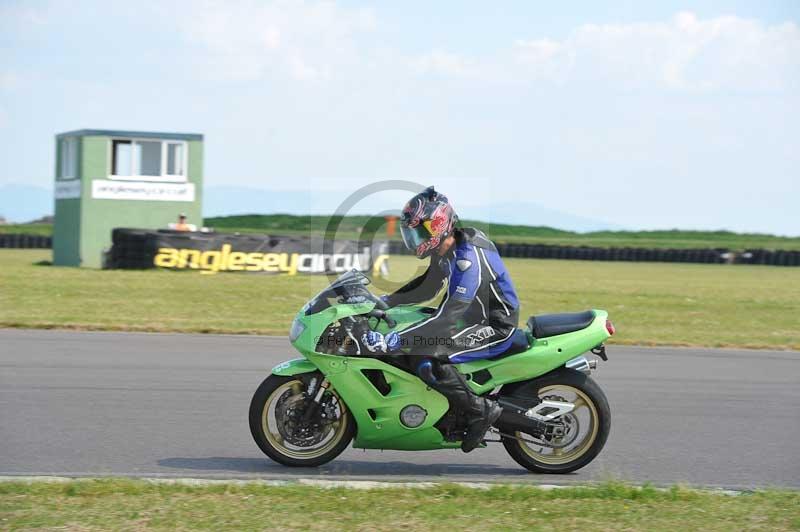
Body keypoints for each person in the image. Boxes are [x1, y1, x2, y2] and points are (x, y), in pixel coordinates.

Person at [361, 186, 520, 452]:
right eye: (411, 233)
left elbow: (448, 317)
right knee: (410, 335)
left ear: (438, 225)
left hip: (494, 326)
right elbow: (429, 285)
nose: (414, 239)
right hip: (468, 319)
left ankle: (480, 410)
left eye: (419, 231)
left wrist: (396, 339)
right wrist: (384, 302)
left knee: (426, 357)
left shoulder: (467, 256)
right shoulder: (447, 248)